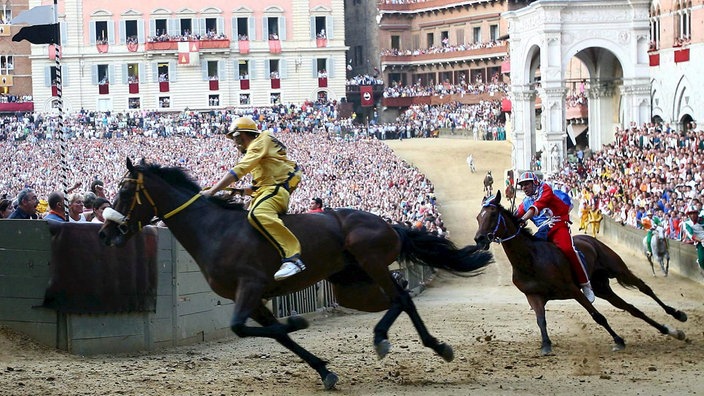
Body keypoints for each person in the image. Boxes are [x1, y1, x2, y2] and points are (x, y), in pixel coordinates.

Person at [201, 116, 305, 281]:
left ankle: (293, 257)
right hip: (267, 190)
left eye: (235, 139)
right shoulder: (261, 154)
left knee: (258, 214)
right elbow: (257, 187)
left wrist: (212, 191)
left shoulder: (259, 141)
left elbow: (240, 169)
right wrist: (238, 192)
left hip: (276, 191)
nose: (235, 144)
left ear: (240, 136)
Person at [515, 171, 595, 303]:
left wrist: (523, 219)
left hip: (558, 225)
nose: (524, 188)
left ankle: (585, 284)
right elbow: (516, 215)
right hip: (542, 231)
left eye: (527, 184)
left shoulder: (545, 188)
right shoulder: (525, 202)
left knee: (568, 249)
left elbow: (538, 206)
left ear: (535, 183)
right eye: (522, 185)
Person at [682, 205, 704, 275]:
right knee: (702, 260)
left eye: (694, 213)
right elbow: (692, 236)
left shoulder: (702, 219)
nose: (693, 215)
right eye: (691, 214)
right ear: (688, 215)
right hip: (699, 242)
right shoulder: (686, 223)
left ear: (697, 213)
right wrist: (701, 240)